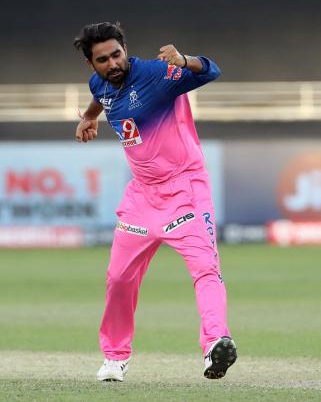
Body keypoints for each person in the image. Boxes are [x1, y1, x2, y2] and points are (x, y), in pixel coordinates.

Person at [73, 22, 236, 382]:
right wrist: (88, 117)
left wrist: (185, 60)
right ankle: (114, 358)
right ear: (92, 64)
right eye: (103, 59)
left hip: (185, 189)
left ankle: (215, 343)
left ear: (124, 49)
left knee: (205, 268)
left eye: (117, 54)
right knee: (118, 277)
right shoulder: (99, 83)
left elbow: (212, 70)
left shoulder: (159, 74)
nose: (113, 63)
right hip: (142, 195)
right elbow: (101, 96)